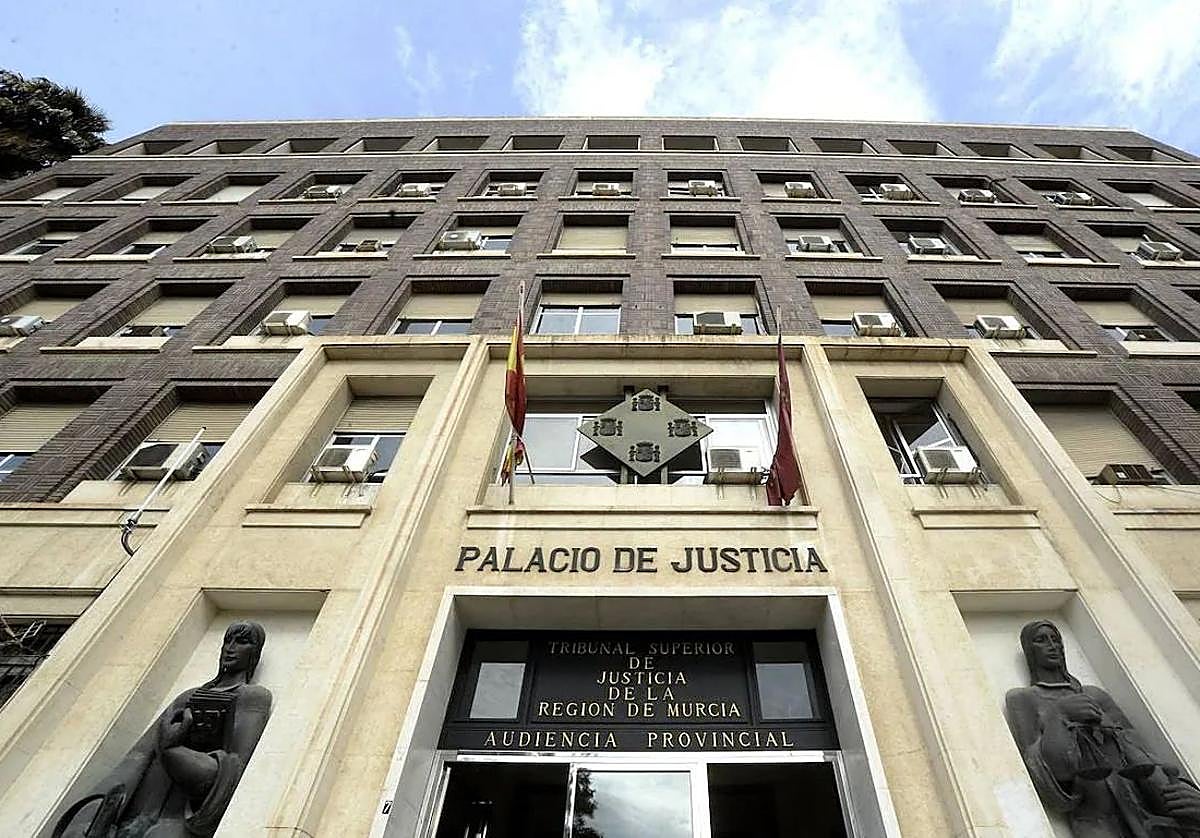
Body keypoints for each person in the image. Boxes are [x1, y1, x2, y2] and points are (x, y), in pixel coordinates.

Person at [55, 621, 272, 838]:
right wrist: (91, 813)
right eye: (227, 641)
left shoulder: (252, 698)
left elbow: (231, 771)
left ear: (255, 653)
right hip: (136, 818)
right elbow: (137, 757)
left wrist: (172, 750)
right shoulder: (187, 697)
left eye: (242, 642)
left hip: (176, 820)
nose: (230, 648)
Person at [1005, 619, 1200, 837]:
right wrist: (1058, 716)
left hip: (1141, 805)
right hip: (1096, 819)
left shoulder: (1095, 695)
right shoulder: (1023, 698)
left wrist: (1184, 790)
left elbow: (1143, 755)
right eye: (1041, 640)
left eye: (1056, 639)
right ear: (1029, 650)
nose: (1053, 645)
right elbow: (1043, 768)